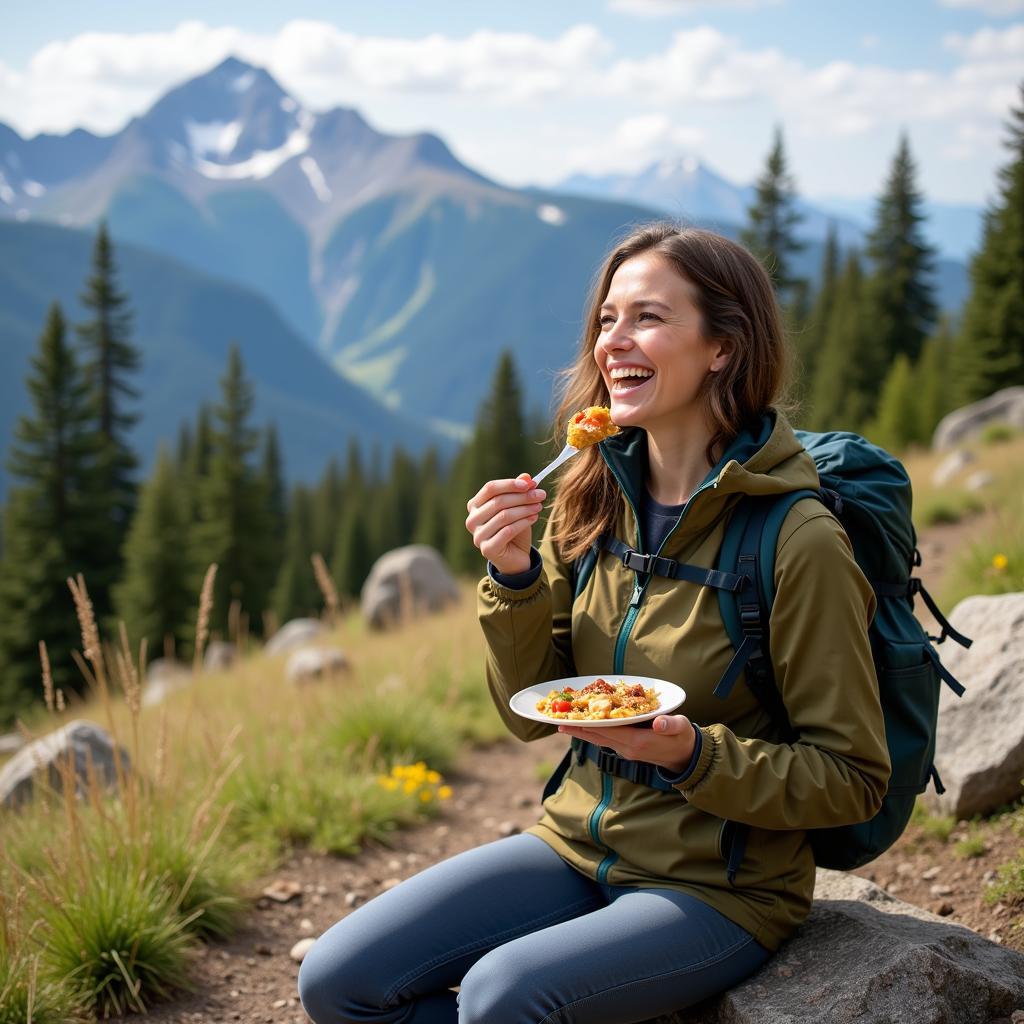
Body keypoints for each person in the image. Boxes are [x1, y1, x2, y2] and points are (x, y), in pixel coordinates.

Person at [297, 222, 891, 1024]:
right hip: (576, 842)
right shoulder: (596, 493)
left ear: (723, 347)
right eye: (607, 319)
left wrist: (691, 753)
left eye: (647, 317)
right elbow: (530, 713)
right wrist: (513, 577)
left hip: (719, 886)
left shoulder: (797, 539)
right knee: (336, 983)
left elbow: (853, 779)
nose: (614, 342)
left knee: (502, 998)